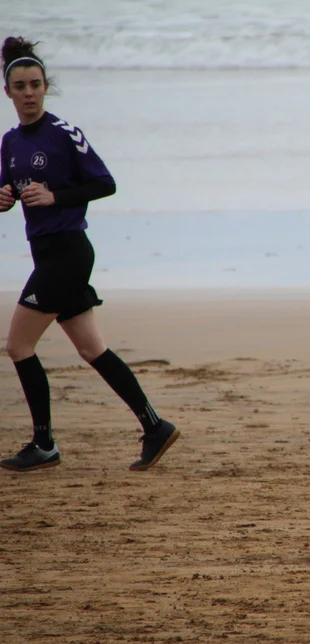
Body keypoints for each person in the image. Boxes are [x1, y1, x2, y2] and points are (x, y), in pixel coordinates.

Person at [0, 36, 179, 472]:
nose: (28, 93)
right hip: (46, 253)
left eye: (35, 85)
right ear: (8, 92)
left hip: (68, 253)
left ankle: (44, 444)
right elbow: (10, 189)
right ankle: (155, 426)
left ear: (46, 87)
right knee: (92, 348)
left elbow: (105, 183)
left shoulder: (64, 134)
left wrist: (56, 197)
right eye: (20, 86)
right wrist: (4, 197)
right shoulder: (9, 141)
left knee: (19, 346)